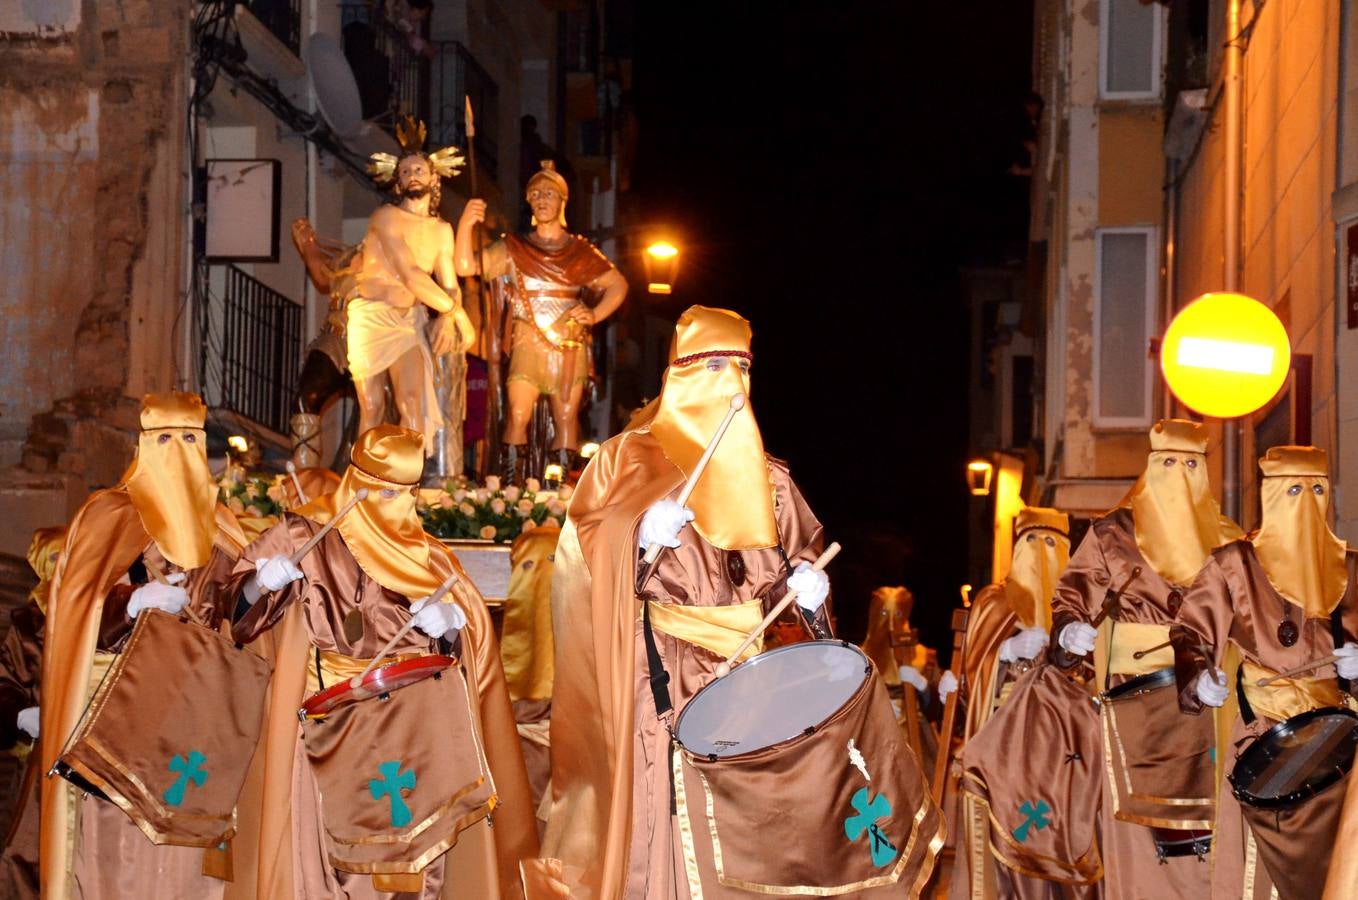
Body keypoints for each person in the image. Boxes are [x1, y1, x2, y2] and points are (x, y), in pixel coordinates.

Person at [525, 306, 942, 898]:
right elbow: (581, 558)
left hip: (749, 674)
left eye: (742, 367)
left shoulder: (770, 480)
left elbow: (794, 575)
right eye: (714, 364)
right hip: (660, 674)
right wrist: (638, 538)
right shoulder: (626, 458)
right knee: (669, 818)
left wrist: (809, 595)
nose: (731, 381)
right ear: (682, 372)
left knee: (754, 827)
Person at [223, 424, 537, 899]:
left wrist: (452, 627)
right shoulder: (302, 534)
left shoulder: (431, 558)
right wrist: (259, 584)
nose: (394, 504)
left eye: (405, 493)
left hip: (411, 733)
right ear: (356, 482)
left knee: (415, 861)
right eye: (382, 492)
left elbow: (469, 655)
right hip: (324, 729)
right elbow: (236, 611)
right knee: (324, 862)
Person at [39, 392, 247, 900]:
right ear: (143, 444)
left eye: (190, 439)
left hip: (196, 723)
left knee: (188, 857)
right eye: (165, 439)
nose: (178, 451)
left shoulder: (223, 525)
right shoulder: (107, 514)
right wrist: (130, 604)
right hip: (122, 718)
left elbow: (239, 614)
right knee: (121, 854)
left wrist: (259, 591)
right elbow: (72, 607)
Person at [1048, 419, 1240, 899]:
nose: (1179, 475)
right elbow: (1073, 594)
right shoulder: (1112, 533)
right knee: (1139, 830)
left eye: (1191, 464)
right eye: (1168, 462)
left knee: (1211, 829)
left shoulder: (1233, 541)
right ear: (1151, 467)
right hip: (1133, 700)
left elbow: (1251, 619)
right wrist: (1069, 628)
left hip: (1210, 703)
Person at [1172, 446, 1358, 900]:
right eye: (1294, 489)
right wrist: (1199, 676)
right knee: (1261, 871)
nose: (1307, 501)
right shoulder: (1235, 563)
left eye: (1317, 489)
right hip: (1264, 736)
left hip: (1340, 744)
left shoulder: (1350, 567)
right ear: (1271, 495)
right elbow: (1190, 631)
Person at [454, 159, 628, 480]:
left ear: (562, 201)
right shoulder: (513, 248)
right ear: (529, 201)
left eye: (549, 193)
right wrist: (466, 223)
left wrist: (593, 314)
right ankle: (509, 486)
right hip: (527, 337)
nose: (542, 199)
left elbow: (617, 285)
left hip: (568, 342)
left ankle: (559, 489)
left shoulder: (580, 252)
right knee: (518, 414)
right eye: (536, 194)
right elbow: (466, 266)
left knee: (565, 416)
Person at [943, 506, 1070, 899]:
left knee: (1050, 839)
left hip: (1057, 753)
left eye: (1051, 543)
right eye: (1031, 541)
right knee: (997, 843)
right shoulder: (994, 600)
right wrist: (1005, 651)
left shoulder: (1075, 605)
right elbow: (971, 675)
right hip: (1002, 746)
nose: (1040, 552)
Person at [354, 118, 475, 455]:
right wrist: (458, 314)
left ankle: (409, 484)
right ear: (397, 184)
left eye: (419, 170)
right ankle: (362, 478)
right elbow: (411, 275)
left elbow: (450, 284)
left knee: (413, 403)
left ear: (434, 177)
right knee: (373, 406)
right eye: (405, 172)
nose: (412, 177)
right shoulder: (386, 217)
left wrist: (448, 316)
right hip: (372, 318)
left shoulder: (441, 230)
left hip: (408, 320)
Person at [0, 525, 66, 898]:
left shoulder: (105, 614)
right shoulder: (29, 624)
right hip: (36, 769)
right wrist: (20, 715)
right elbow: (6, 680)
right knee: (29, 856)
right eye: (55, 559)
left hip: (91, 762)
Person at [860, 585, 938, 767]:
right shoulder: (858, 660)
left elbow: (935, 710)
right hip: (874, 744)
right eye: (884, 614)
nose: (890, 624)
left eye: (897, 615)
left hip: (914, 742)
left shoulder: (924, 657)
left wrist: (923, 685)